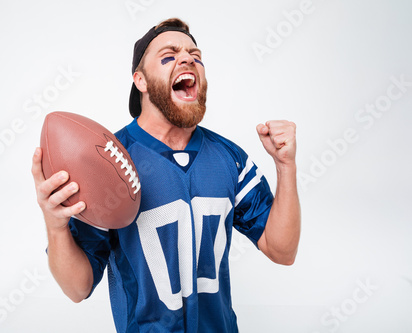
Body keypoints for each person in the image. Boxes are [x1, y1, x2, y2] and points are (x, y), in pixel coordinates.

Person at [31, 18, 300, 333]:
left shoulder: (230, 158)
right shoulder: (108, 164)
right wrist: (55, 225)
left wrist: (286, 166)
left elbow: (282, 250)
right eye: (169, 56)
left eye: (195, 56)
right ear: (140, 81)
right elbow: (77, 288)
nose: (188, 59)